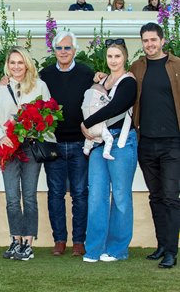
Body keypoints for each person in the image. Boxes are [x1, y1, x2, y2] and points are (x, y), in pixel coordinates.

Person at [0, 46, 51, 261]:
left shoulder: (40, 86)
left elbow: (48, 116)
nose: (16, 66)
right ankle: (15, 240)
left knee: (30, 196)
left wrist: (34, 129)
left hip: (31, 147)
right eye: (12, 62)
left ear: (27, 64)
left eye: (20, 62)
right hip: (9, 148)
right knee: (12, 197)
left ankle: (28, 243)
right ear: (8, 65)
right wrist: (0, 137)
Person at [81, 39, 137, 263]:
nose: (113, 60)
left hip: (121, 142)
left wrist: (87, 124)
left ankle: (117, 249)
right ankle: (94, 249)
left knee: (121, 197)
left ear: (125, 58)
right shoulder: (102, 80)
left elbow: (117, 107)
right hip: (97, 143)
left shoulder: (128, 81)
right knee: (96, 196)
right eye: (110, 56)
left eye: (117, 56)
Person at [39, 31, 94, 257]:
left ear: (75, 50)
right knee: (55, 194)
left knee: (80, 193)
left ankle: (79, 241)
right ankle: (60, 240)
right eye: (59, 48)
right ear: (54, 50)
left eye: (67, 48)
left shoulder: (87, 74)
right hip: (54, 144)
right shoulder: (45, 75)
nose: (63, 52)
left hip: (81, 144)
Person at [131, 22, 180, 269]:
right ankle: (162, 245)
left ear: (162, 40)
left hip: (173, 143)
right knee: (156, 196)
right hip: (146, 143)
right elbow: (119, 83)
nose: (149, 44)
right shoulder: (137, 67)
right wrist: (100, 77)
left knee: (171, 197)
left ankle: (172, 250)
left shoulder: (177, 65)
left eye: (153, 40)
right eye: (145, 40)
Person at [81, 84, 115, 160]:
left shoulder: (87, 100)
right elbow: (109, 106)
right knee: (109, 139)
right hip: (100, 127)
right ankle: (106, 152)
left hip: (88, 129)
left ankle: (86, 149)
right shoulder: (101, 97)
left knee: (89, 139)